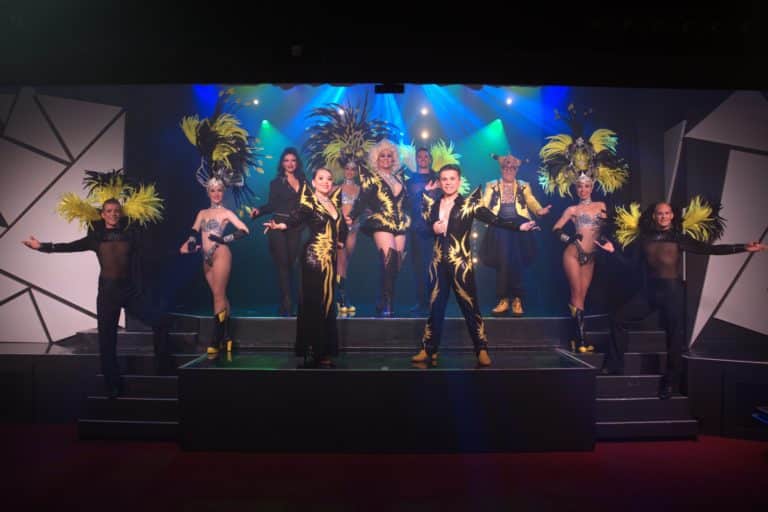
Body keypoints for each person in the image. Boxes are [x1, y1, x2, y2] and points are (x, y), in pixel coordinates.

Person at [596, 200, 767, 399]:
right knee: (618, 319)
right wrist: (613, 252)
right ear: (654, 216)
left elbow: (710, 249)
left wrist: (743, 247)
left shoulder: (679, 238)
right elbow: (630, 266)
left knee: (674, 337)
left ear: (672, 216)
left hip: (672, 294)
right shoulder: (644, 239)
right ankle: (615, 366)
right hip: (649, 293)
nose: (663, 217)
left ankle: (670, 382)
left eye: (667, 213)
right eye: (660, 213)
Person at [23, 197, 168, 398]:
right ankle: (113, 385)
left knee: (160, 321)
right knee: (107, 340)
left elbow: (152, 253)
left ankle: (163, 368)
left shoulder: (131, 235)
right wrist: (42, 246)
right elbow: (70, 246)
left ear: (120, 214)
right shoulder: (96, 237)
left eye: (116, 211)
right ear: (102, 215)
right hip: (108, 293)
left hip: (130, 291)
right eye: (109, 211)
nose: (113, 214)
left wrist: (180, 250)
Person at [411, 164, 538, 367]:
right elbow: (419, 229)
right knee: (435, 308)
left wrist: (518, 226)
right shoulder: (433, 205)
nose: (448, 182)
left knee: (470, 307)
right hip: (437, 265)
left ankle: (481, 349)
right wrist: (432, 228)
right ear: (440, 182)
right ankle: (428, 349)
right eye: (444, 179)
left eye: (452, 178)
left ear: (459, 181)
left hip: (461, 266)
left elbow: (494, 219)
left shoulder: (469, 204)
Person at [263, 168, 348, 368]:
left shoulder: (333, 203)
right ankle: (315, 350)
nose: (326, 182)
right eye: (321, 178)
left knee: (327, 303)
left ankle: (323, 350)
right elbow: (296, 217)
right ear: (314, 182)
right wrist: (281, 225)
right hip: (313, 257)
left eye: (329, 179)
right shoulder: (310, 202)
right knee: (314, 303)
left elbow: (341, 230)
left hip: (330, 259)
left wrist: (340, 240)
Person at [180, 177, 249, 355]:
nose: (216, 193)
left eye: (219, 190)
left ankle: (215, 339)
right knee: (220, 296)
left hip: (220, 253)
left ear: (223, 192)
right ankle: (227, 337)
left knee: (218, 297)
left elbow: (244, 229)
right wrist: (190, 243)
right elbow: (194, 231)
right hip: (206, 257)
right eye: (213, 190)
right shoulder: (202, 213)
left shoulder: (226, 213)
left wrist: (224, 239)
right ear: (208, 193)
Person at [479, 154, 550, 316]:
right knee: (503, 261)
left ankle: (517, 299)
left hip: (520, 227)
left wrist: (539, 210)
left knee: (517, 262)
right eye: (506, 168)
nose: (509, 171)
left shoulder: (523, 185)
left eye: (512, 168)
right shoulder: (492, 185)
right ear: (501, 169)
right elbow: (484, 202)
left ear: (516, 170)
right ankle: (503, 299)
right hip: (499, 227)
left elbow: (530, 200)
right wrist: (477, 210)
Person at [347, 139, 409, 317]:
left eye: (389, 155)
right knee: (389, 260)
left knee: (396, 265)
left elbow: (406, 202)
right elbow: (363, 199)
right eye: (382, 156)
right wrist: (352, 215)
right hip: (382, 221)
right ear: (376, 158)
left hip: (400, 223)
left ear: (394, 158)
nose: (386, 159)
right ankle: (387, 304)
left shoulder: (399, 177)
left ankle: (382, 299)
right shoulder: (372, 178)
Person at [550, 173, 606, 353]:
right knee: (576, 293)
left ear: (592, 187)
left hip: (591, 256)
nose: (583, 190)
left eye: (586, 186)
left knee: (582, 296)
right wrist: (568, 238)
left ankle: (576, 340)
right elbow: (556, 228)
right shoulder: (572, 209)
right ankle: (581, 341)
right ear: (576, 189)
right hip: (574, 254)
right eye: (580, 187)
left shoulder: (601, 206)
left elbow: (609, 227)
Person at [249, 148, 306, 316]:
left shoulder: (304, 181)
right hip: (276, 225)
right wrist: (259, 210)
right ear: (282, 163)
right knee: (283, 263)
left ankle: (295, 301)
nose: (290, 163)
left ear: (297, 163)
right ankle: (287, 301)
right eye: (286, 160)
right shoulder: (276, 183)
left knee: (292, 263)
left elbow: (307, 205)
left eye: (293, 160)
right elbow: (272, 205)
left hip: (295, 226)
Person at [404, 147, 440, 315]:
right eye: (420, 156)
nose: (423, 159)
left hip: (435, 228)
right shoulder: (409, 181)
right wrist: (425, 191)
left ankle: (435, 300)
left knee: (435, 265)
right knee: (418, 266)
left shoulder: (438, 178)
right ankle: (421, 301)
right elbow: (407, 204)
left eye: (426, 156)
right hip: (416, 228)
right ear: (416, 159)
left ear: (430, 159)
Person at [335, 157, 361, 315]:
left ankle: (339, 296)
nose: (350, 171)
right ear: (343, 170)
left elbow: (366, 208)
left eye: (353, 169)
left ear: (357, 171)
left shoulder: (360, 189)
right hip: (340, 229)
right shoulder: (335, 187)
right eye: (347, 168)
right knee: (341, 262)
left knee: (345, 264)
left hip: (354, 230)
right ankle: (343, 298)